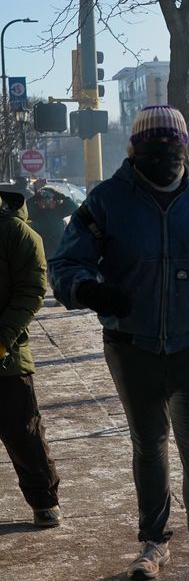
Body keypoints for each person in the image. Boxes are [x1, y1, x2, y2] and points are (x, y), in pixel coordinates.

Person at [49, 105, 189, 581]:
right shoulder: (106, 201)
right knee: (149, 445)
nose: (163, 158)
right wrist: (88, 289)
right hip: (132, 346)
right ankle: (153, 545)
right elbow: (66, 265)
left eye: (172, 148)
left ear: (185, 149)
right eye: (151, 150)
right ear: (134, 151)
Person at [0, 189, 61, 529]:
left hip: (6, 356)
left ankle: (43, 500)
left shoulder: (17, 231)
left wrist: (2, 338)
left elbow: (32, 289)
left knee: (22, 434)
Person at [28, 186, 78, 259]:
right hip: (40, 247)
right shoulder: (36, 211)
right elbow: (25, 209)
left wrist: (60, 196)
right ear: (39, 201)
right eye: (43, 200)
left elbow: (74, 207)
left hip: (56, 248)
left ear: (55, 201)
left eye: (50, 199)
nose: (47, 202)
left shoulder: (59, 210)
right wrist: (35, 197)